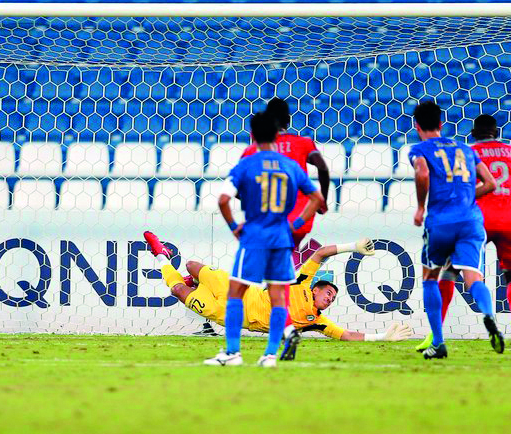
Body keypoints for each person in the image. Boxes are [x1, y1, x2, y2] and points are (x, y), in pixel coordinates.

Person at [144, 232, 413, 352]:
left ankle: (161, 256)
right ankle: (194, 281)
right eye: (328, 293)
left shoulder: (315, 321)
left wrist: (381, 338)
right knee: (192, 265)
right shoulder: (301, 282)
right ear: (317, 287)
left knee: (178, 289)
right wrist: (352, 245)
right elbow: (320, 253)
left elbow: (346, 335)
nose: (330, 299)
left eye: (332, 298)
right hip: (237, 288)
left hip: (229, 314)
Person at [204, 111, 323, 368]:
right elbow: (317, 199)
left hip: (254, 237)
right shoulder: (290, 165)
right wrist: (297, 224)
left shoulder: (247, 164)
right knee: (279, 297)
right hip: (282, 237)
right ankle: (269, 356)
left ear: (253, 135)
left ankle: (233, 352)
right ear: (278, 134)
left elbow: (224, 199)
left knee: (236, 292)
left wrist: (235, 226)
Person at [434, 115, 511, 356]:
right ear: (497, 133)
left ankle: (436, 332)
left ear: (472, 133)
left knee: (450, 270)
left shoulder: (466, 154)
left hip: (477, 222)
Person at [408, 100, 500, 360]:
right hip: (471, 220)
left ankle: (438, 342)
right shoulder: (466, 149)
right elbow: (490, 182)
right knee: (473, 277)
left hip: (441, 221)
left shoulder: (419, 148)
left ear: (417, 126)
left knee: (429, 278)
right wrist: (468, 197)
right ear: (441, 124)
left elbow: (422, 172)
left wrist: (419, 208)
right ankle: (489, 315)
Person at [240, 98, 331, 254]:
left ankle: (296, 264)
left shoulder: (255, 149)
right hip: (300, 217)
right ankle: (301, 261)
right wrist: (322, 200)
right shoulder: (304, 143)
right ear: (288, 120)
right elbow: (322, 167)